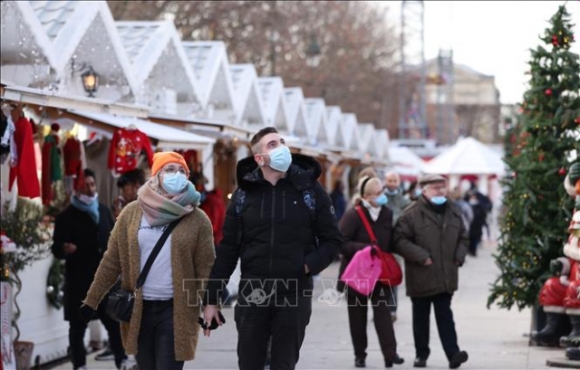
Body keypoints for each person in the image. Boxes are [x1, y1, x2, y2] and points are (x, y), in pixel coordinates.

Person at [202, 127, 341, 369]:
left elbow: (332, 239)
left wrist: (307, 265)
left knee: (283, 363)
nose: (281, 147)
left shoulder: (309, 190)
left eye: (282, 142)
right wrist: (212, 299)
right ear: (259, 158)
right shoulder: (244, 195)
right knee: (249, 362)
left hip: (294, 293)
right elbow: (227, 250)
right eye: (272, 144)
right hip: (253, 292)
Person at [81, 152, 216, 370]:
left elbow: (207, 266)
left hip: (176, 311)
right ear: (156, 176)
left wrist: (212, 304)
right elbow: (111, 261)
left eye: (182, 171)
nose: (177, 175)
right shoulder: (132, 213)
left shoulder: (197, 219)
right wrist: (91, 301)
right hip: (138, 310)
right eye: (170, 170)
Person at [51, 169, 127, 370]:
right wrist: (64, 249)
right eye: (85, 185)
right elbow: (56, 247)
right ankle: (80, 365)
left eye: (92, 184)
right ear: (77, 188)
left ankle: (123, 360)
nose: (90, 189)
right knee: (77, 327)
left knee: (113, 323)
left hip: (104, 280)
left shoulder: (102, 211)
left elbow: (113, 239)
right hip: (79, 281)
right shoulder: (66, 217)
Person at [393, 174, 469, 369]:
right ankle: (421, 355)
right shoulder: (411, 214)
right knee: (420, 318)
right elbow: (399, 240)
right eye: (436, 188)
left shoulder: (453, 210)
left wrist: (459, 257)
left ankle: (453, 354)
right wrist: (420, 256)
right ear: (423, 190)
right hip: (422, 274)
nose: (441, 191)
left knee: (445, 315)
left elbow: (463, 236)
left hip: (445, 275)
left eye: (442, 187)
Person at [338, 176, 404, 368]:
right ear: (366, 196)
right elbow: (341, 243)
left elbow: (390, 242)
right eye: (378, 193)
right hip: (357, 275)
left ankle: (390, 355)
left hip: (379, 275)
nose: (382, 196)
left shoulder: (387, 213)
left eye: (382, 191)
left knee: (383, 314)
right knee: (357, 317)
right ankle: (360, 355)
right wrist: (364, 248)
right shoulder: (353, 215)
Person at [383, 171, 412, 323]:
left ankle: (392, 309)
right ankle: (380, 309)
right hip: (380, 245)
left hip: (396, 247)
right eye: (390, 180)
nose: (392, 183)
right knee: (380, 280)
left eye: (395, 180)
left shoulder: (404, 201)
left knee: (393, 278)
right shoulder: (380, 198)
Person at [467, 190, 487, 257]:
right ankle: (470, 250)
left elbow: (483, 215)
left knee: (475, 238)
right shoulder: (467, 204)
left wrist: (482, 222)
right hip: (470, 225)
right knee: (469, 238)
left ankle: (473, 251)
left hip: (477, 225)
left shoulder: (479, 205)